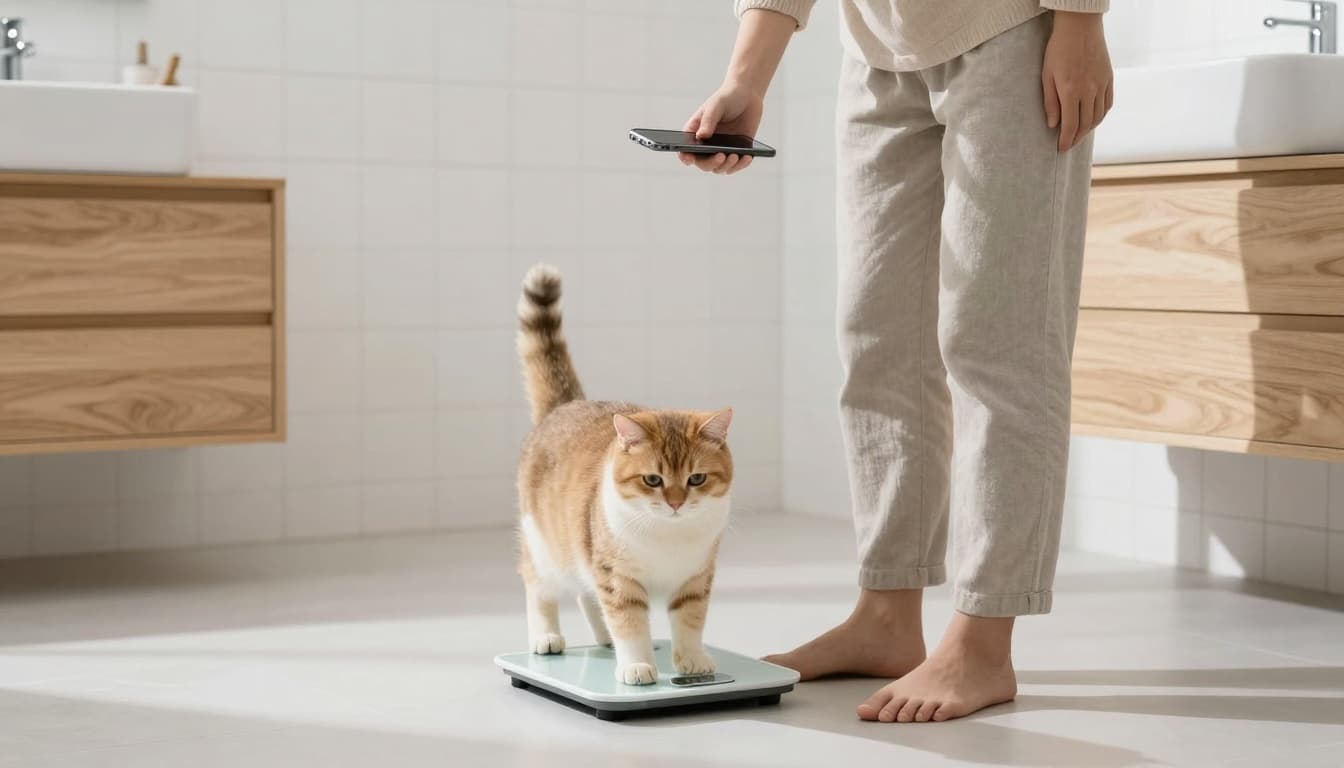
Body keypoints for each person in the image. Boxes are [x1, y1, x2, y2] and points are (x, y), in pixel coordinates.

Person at [679, 0, 1113, 723]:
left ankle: (983, 638)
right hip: (878, 53)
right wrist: (746, 80)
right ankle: (886, 613)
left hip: (1010, 31)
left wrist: (1080, 20)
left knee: (999, 338)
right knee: (878, 340)